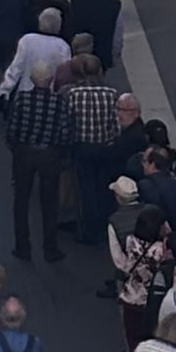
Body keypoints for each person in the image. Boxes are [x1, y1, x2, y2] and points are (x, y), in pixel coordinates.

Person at [4, 60, 70, 262]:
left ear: (32, 79)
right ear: (50, 80)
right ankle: (50, 248)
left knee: (21, 200)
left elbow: (12, 128)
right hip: (49, 155)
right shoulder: (59, 103)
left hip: (24, 153)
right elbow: (65, 133)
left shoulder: (22, 100)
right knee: (49, 203)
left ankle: (22, 246)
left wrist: (15, 147)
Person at [65, 52, 124, 244]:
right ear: (99, 71)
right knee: (103, 187)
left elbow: (68, 123)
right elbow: (116, 125)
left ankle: (89, 229)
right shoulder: (112, 94)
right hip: (105, 148)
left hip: (82, 148)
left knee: (85, 190)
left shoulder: (73, 94)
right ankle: (105, 226)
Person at [111, 206, 171, 352]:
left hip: (131, 297)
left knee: (133, 338)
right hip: (150, 301)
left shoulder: (131, 241)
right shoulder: (160, 250)